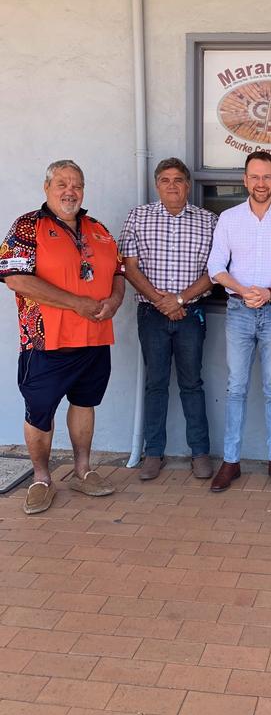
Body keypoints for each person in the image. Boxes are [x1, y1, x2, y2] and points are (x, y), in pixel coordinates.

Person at [0, 160, 124, 514]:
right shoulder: (27, 226)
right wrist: (77, 303)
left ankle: (83, 471)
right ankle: (41, 479)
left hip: (95, 338)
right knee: (40, 412)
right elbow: (16, 279)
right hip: (45, 342)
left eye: (77, 185)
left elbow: (118, 271)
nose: (70, 191)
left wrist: (114, 300)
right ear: (47, 188)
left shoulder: (98, 228)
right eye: (62, 184)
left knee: (85, 404)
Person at [207, 151, 271, 492]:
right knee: (235, 388)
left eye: (267, 177)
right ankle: (231, 461)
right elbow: (215, 268)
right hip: (238, 311)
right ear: (245, 180)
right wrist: (245, 291)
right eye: (255, 177)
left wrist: (268, 291)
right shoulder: (230, 218)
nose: (261, 183)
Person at [118, 158, 217, 481]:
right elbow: (129, 267)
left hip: (191, 314)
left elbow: (214, 273)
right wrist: (163, 302)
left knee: (192, 384)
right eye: (165, 180)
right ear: (156, 185)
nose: (172, 185)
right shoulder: (139, 216)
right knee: (155, 384)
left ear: (188, 185)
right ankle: (154, 453)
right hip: (151, 315)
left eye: (178, 179)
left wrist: (178, 300)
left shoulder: (208, 221)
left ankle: (200, 452)